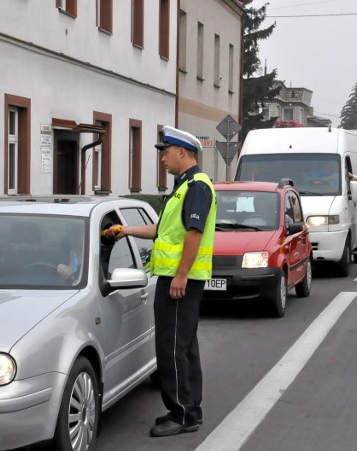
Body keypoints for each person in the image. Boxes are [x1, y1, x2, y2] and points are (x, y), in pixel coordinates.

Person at [108, 125, 217, 437]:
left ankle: (183, 415)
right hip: (178, 278)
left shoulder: (196, 186)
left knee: (173, 348)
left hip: (180, 280)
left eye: (165, 152)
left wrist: (181, 275)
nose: (162, 159)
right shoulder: (184, 186)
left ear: (181, 152)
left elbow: (194, 235)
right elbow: (162, 231)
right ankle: (187, 410)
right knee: (184, 347)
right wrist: (126, 230)